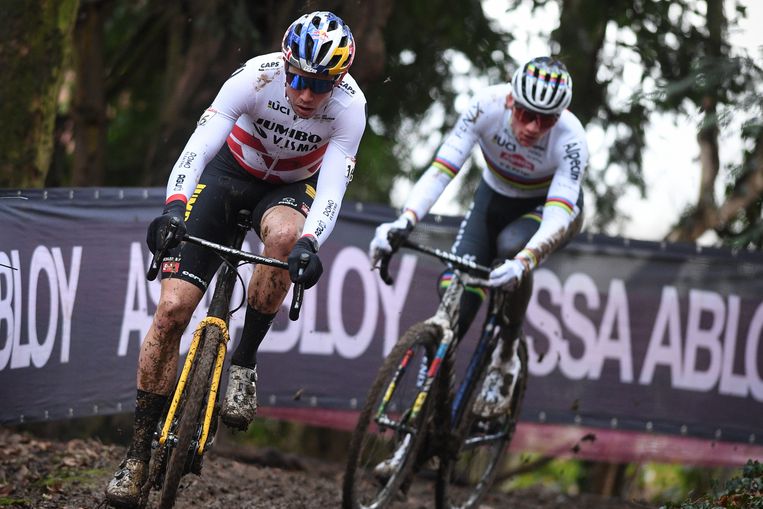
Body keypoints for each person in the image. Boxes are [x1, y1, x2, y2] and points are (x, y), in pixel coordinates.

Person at [105, 11, 366, 508]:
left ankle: (243, 362)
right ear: (286, 64)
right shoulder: (255, 76)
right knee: (171, 313)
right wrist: (174, 208)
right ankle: (137, 453)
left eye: (322, 85)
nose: (307, 94)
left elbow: (332, 187)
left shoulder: (351, 108)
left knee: (287, 238)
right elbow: (196, 148)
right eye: (300, 79)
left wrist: (312, 241)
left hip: (290, 187)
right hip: (230, 171)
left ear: (340, 80)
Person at [370, 56, 587, 419]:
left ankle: (506, 354)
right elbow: (442, 170)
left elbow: (557, 216)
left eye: (546, 119)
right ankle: (425, 416)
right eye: (524, 114)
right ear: (509, 101)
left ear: (560, 117)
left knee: (510, 248)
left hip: (547, 210)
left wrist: (525, 260)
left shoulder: (571, 139)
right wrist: (404, 221)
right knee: (457, 300)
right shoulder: (484, 106)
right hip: (494, 198)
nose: (533, 127)